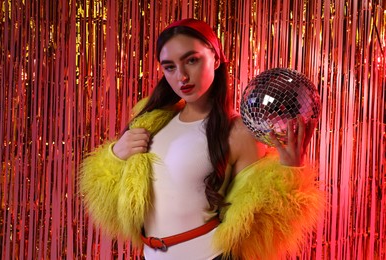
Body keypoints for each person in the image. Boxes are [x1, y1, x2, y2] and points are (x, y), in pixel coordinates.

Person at [80, 18, 324, 260]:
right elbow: (116, 204)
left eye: (192, 60)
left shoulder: (238, 131)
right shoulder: (152, 123)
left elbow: (254, 220)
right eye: (170, 67)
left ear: (216, 59)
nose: (182, 76)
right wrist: (114, 156)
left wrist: (290, 172)